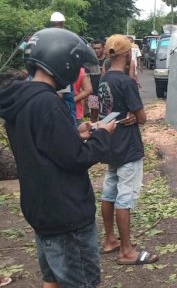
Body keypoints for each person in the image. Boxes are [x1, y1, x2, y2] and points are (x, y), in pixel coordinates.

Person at [0, 27, 116, 288]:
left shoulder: (21, 99)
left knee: (51, 279)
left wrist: (75, 133)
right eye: (75, 63)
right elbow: (76, 159)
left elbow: (42, 144)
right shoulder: (48, 103)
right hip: (66, 213)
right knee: (82, 282)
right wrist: (102, 135)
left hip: (42, 208)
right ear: (63, 62)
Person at [98, 34, 158, 266]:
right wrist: (135, 116)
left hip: (109, 143)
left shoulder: (103, 80)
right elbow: (141, 117)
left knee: (109, 191)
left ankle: (109, 239)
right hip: (128, 145)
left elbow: (97, 106)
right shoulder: (126, 82)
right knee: (124, 197)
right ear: (127, 54)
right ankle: (126, 250)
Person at [88, 39, 106, 122]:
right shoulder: (89, 61)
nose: (96, 50)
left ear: (103, 48)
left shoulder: (108, 61)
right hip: (93, 93)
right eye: (94, 48)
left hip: (106, 92)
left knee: (106, 113)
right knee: (94, 114)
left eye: (99, 48)